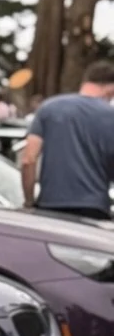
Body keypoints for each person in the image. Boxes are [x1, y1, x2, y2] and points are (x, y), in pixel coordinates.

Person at [20, 60, 114, 220]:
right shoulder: (110, 115)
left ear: (85, 81)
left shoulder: (48, 108)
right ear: (110, 87)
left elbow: (28, 159)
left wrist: (29, 201)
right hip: (94, 208)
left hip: (50, 206)